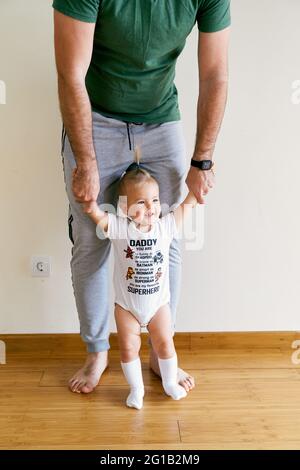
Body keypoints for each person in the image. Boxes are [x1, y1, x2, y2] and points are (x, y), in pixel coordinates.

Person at [52, 0, 231, 394]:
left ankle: (160, 349)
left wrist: (202, 161)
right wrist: (84, 160)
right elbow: (70, 73)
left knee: (167, 239)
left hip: (160, 117)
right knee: (91, 241)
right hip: (96, 116)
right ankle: (97, 350)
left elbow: (215, 74)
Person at [85, 147, 198, 409]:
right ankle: (136, 390)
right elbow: (97, 215)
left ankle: (170, 381)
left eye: (155, 200)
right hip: (127, 308)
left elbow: (186, 205)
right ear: (124, 207)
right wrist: (89, 204)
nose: (151, 208)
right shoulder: (119, 227)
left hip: (159, 305)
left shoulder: (165, 226)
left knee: (164, 343)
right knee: (128, 348)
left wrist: (196, 191)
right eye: (141, 202)